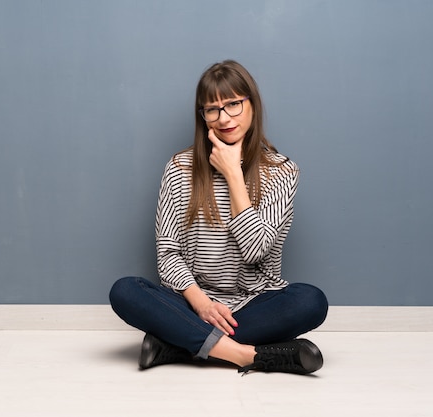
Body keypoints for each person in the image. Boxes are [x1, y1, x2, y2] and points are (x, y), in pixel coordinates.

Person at [109, 60, 328, 375]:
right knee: (125, 290)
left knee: (311, 301)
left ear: (252, 104)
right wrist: (202, 304)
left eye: (233, 105)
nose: (224, 118)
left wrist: (234, 176)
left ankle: (175, 344)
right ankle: (246, 355)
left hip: (255, 304)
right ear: (202, 116)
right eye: (212, 109)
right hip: (192, 303)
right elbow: (168, 255)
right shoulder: (180, 168)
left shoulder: (282, 171)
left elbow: (256, 250)